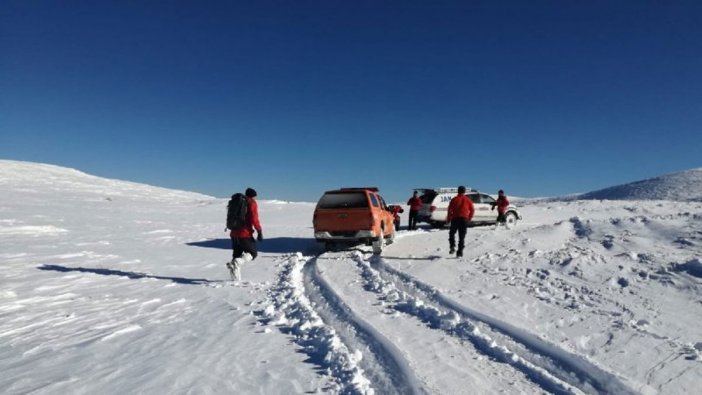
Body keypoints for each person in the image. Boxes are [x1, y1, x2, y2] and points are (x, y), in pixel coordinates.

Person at [227, 187, 263, 280]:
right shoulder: (251, 203)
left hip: (234, 233)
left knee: (236, 255)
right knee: (252, 253)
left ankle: (235, 280)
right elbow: (254, 219)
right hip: (245, 234)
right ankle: (238, 262)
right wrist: (259, 231)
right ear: (252, 196)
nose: (256, 198)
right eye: (255, 196)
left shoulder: (237, 202)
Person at [446, 186, 475, 257]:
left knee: (452, 233)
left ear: (458, 191)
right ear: (464, 192)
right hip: (464, 219)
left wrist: (449, 219)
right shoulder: (468, 200)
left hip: (455, 219)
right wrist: (469, 218)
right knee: (461, 236)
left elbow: (450, 210)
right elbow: (472, 210)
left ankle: (452, 246)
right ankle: (460, 252)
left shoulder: (454, 199)